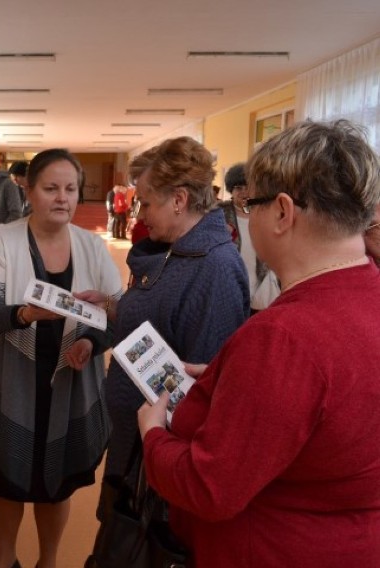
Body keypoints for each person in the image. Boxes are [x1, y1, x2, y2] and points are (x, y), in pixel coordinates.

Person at [138, 119, 380, 566]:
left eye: (251, 206)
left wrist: (153, 434)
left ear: (283, 212)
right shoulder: (364, 294)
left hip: (274, 549)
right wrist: (232, 380)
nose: (246, 219)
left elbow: (209, 487)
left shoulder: (284, 337)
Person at [87, 136, 249, 553]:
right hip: (135, 450)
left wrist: (166, 455)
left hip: (160, 470)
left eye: (146, 202)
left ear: (179, 200)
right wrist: (109, 306)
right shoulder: (177, 255)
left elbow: (205, 390)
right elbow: (159, 321)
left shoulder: (213, 268)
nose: (140, 214)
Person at [0, 149, 122, 568]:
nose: (62, 198)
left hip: (70, 380)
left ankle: (48, 561)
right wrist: (25, 313)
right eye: (51, 188)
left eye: (70, 189)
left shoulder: (91, 246)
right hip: (9, 378)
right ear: (29, 191)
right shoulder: (1, 239)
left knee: (59, 482)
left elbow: (116, 309)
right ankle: (5, 557)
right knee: (4, 476)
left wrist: (91, 342)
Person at [219, 162, 280, 312]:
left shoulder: (265, 212)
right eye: (238, 188)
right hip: (228, 289)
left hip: (261, 290)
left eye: (248, 187)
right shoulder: (219, 214)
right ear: (230, 191)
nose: (244, 192)